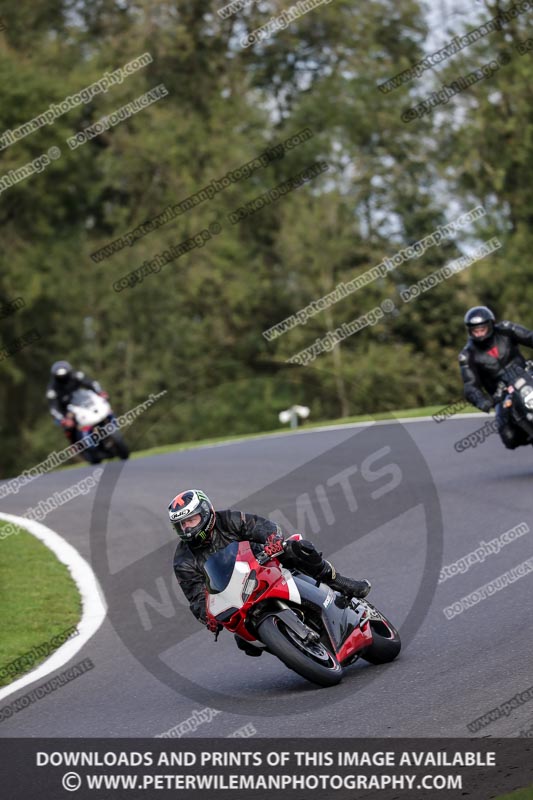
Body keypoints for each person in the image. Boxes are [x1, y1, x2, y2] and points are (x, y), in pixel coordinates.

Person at [171, 489, 371, 656]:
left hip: (264, 562)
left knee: (298, 547)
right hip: (236, 596)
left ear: (206, 513)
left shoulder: (228, 520)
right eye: (182, 524)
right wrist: (209, 618)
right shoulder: (182, 560)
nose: (187, 528)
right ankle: (292, 648)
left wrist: (272, 540)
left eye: (192, 520)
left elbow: (262, 526)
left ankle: (339, 582)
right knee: (245, 643)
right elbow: (196, 597)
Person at [459, 306, 533, 449]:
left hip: (527, 376)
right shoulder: (467, 355)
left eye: (482, 329)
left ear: (491, 324)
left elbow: (530, 337)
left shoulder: (506, 329)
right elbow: (470, 385)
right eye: (476, 330)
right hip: (502, 395)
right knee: (509, 438)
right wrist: (483, 401)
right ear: (470, 331)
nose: (480, 333)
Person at [46, 360, 108, 460]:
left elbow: (91, 383)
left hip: (81, 403)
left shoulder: (76, 376)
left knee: (101, 405)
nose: (64, 379)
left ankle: (106, 429)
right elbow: (54, 408)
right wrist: (64, 419)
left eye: (65, 375)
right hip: (65, 410)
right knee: (69, 426)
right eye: (61, 377)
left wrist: (100, 392)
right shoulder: (52, 389)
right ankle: (75, 445)